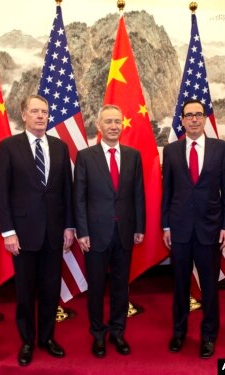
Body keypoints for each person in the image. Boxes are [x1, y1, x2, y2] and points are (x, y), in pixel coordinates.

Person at [0, 94, 74, 366]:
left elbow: (67, 191)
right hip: (23, 234)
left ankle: (47, 338)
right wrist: (8, 232)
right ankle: (28, 341)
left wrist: (69, 226)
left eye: (45, 111)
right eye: (35, 111)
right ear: (24, 115)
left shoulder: (60, 147)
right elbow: (1, 193)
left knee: (51, 290)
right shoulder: (8, 147)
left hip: (54, 233)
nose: (41, 116)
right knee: (26, 292)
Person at [162, 99, 225, 359]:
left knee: (209, 287)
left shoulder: (222, 150)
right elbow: (167, 193)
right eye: (188, 115)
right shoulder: (170, 151)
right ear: (182, 120)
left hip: (210, 229)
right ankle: (179, 333)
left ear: (205, 119)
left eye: (198, 115)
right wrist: (166, 225)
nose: (193, 119)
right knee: (180, 284)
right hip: (179, 230)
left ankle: (209, 335)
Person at [73, 104, 145, 358]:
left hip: (125, 232)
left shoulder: (133, 155)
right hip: (94, 234)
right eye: (109, 122)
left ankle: (117, 332)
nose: (114, 126)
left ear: (122, 125)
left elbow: (138, 193)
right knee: (95, 287)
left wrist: (139, 227)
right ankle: (98, 334)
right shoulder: (85, 156)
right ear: (99, 126)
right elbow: (78, 197)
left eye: (117, 121)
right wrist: (82, 231)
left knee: (120, 286)